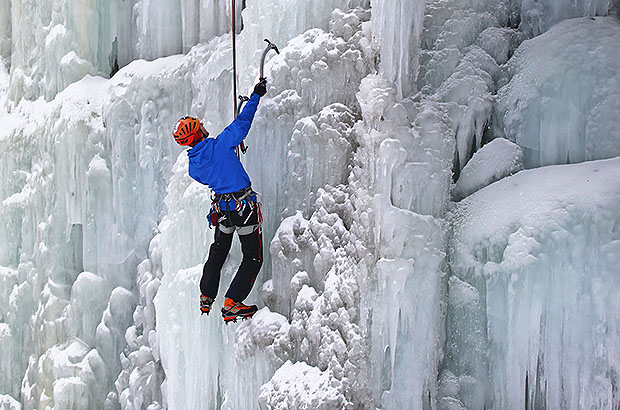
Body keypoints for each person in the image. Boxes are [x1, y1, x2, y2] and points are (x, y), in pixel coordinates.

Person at [172, 79, 267, 323]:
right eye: (200, 126)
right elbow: (241, 124)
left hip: (223, 210)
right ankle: (232, 302)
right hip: (243, 207)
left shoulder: (195, 167)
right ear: (197, 132)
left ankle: (207, 296)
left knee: (219, 250)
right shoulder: (220, 145)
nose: (204, 126)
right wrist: (256, 95)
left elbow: (215, 163)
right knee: (252, 256)